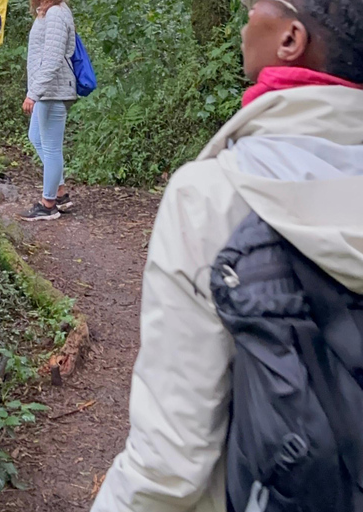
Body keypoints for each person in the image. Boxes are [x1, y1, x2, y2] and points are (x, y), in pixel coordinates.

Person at [91, 0, 363, 510]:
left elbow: (169, 465)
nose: (245, 10)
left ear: (290, 40)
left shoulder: (212, 198)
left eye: (260, 3)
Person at [20, 0, 77, 221]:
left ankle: (48, 204)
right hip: (48, 91)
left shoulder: (56, 13)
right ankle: (60, 192)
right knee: (36, 137)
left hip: (53, 91)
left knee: (52, 148)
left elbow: (53, 60)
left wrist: (34, 92)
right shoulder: (47, 12)